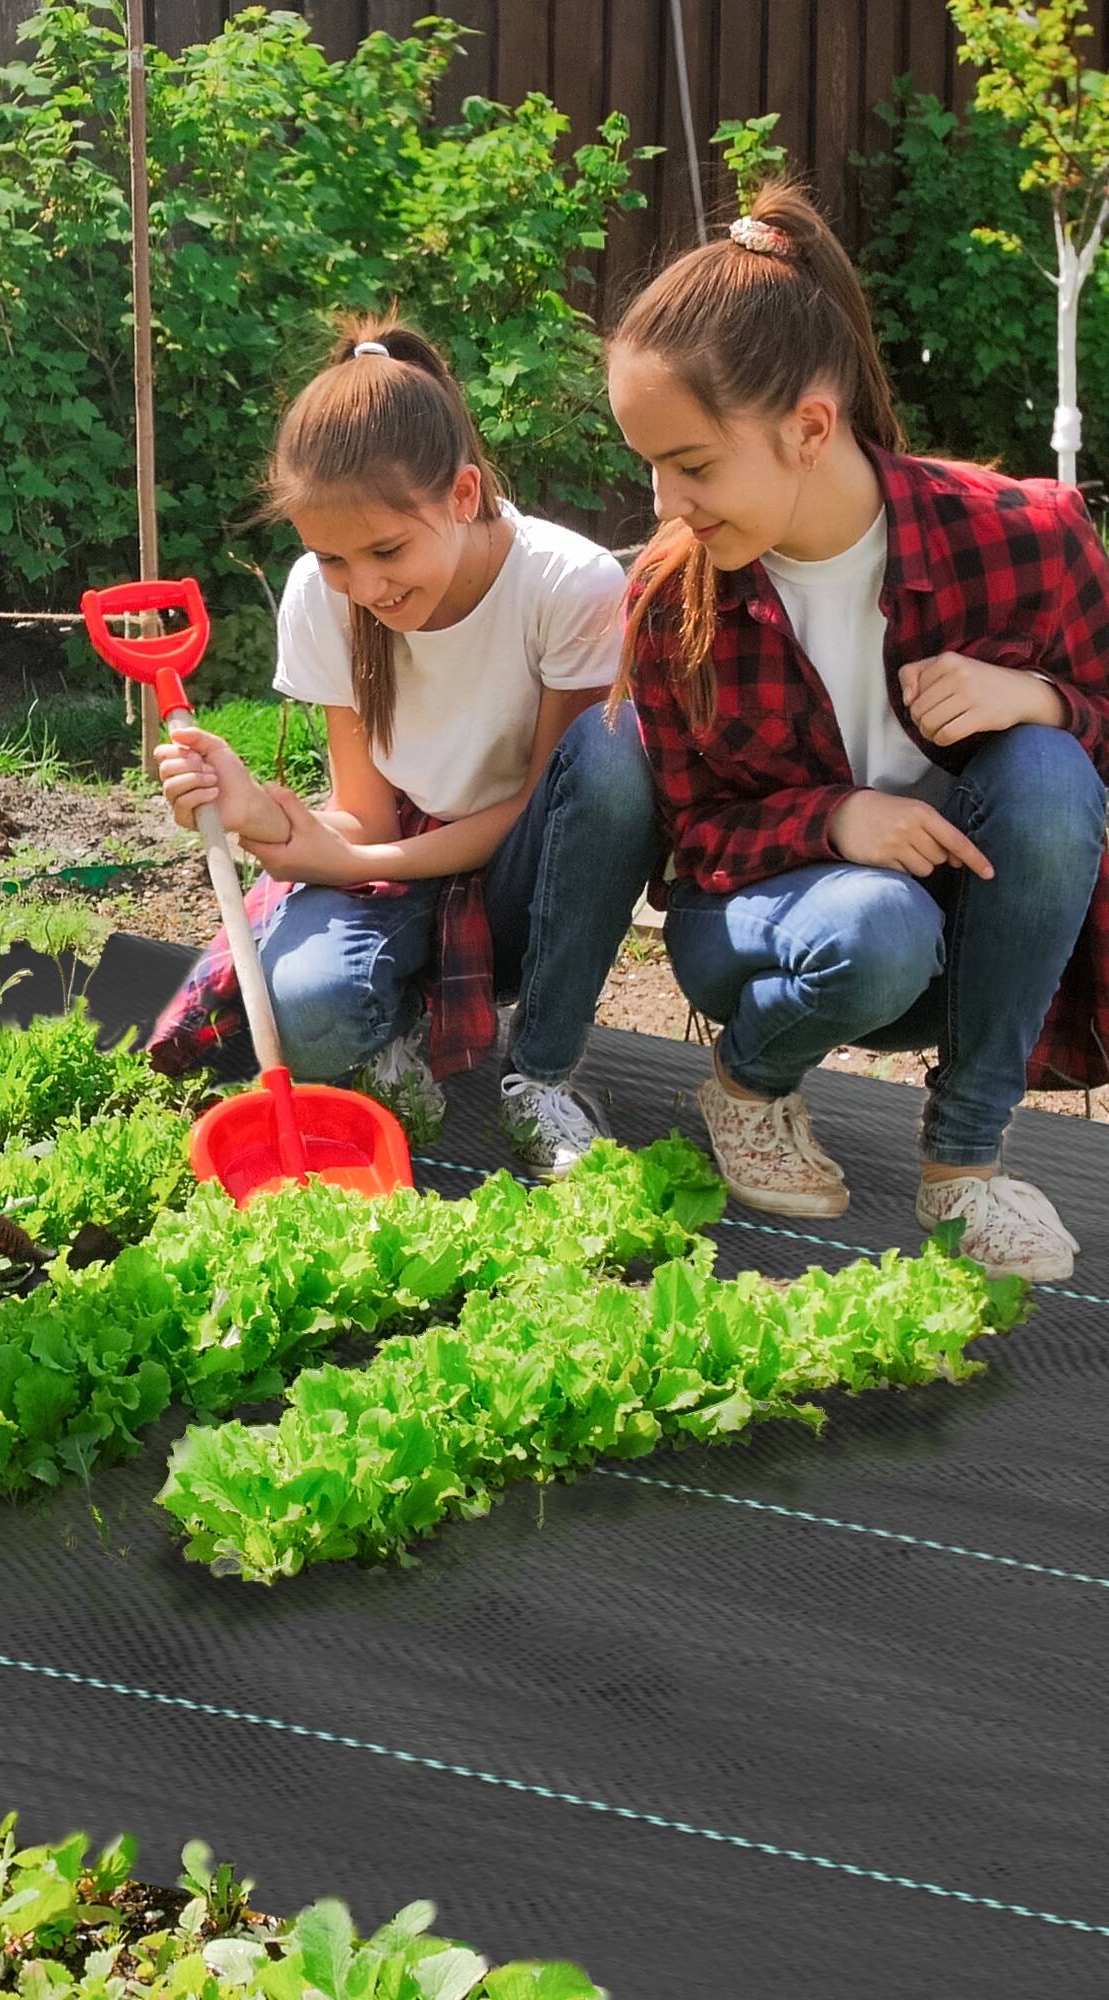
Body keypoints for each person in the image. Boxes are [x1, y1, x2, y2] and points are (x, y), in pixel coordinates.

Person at [607, 185, 1109, 1280]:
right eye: (648, 463)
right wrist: (835, 817)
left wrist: (1039, 700)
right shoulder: (670, 597)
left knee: (1047, 773)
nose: (661, 502)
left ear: (807, 427)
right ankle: (745, 1084)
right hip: (765, 935)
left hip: (965, 952)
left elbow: (1094, 737)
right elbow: (691, 839)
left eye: (690, 464)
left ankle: (963, 1168)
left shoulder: (1022, 538)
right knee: (873, 920)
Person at [149, 318, 661, 1177]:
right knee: (308, 1020)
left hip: (529, 872)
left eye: (387, 550)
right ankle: (401, 1026)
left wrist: (347, 864)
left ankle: (539, 1077)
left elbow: (552, 811)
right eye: (334, 558)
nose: (367, 586)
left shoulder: (567, 583)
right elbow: (363, 812)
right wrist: (258, 817)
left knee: (619, 757)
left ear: (463, 495)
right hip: (403, 853)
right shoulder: (326, 593)